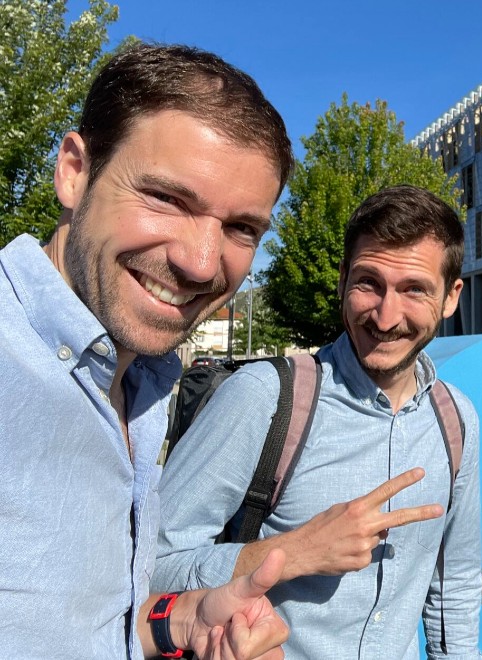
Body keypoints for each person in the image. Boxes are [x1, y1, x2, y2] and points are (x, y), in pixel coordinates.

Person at [0, 44, 296, 659]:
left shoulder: (144, 380)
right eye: (166, 198)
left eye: (241, 228)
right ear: (74, 171)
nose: (201, 262)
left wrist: (178, 623)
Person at [154, 185, 482, 659]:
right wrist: (295, 552)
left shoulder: (457, 421)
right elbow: (153, 564)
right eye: (369, 283)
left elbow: (454, 584)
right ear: (343, 279)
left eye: (414, 289)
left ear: (451, 297)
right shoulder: (265, 399)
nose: (386, 318)